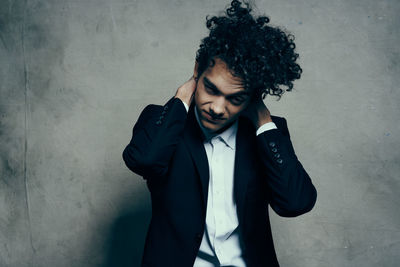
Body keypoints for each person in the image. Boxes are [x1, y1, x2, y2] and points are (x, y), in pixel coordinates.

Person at [122, 1, 317, 266]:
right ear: (197, 71)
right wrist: (182, 97)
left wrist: (262, 119)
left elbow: (295, 203)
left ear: (252, 97)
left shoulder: (266, 134)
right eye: (211, 89)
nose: (217, 108)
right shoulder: (164, 123)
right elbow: (143, 160)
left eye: (235, 98)